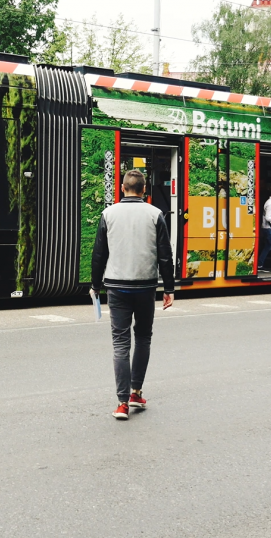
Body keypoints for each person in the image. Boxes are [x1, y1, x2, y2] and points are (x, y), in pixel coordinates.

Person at [90, 170, 175, 421]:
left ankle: (122, 403)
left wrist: (96, 285)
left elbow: (98, 254)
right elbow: (165, 256)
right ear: (144, 189)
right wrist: (169, 289)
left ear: (122, 187)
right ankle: (136, 392)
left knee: (120, 343)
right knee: (144, 338)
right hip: (145, 287)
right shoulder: (155, 214)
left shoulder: (108, 213)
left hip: (116, 287)